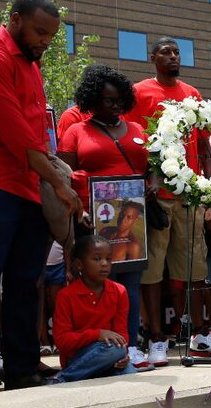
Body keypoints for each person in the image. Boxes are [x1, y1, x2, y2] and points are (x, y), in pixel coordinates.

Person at [0, 0, 81, 393]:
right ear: (15, 20)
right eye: (39, 31)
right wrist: (60, 184)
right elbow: (17, 139)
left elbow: (38, 140)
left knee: (27, 281)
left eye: (51, 36)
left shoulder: (31, 64)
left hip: (26, 184)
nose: (45, 41)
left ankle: (23, 367)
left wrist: (54, 176)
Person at [124, 37, 211, 366]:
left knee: (194, 262)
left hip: (189, 188)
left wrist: (208, 189)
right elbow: (133, 140)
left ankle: (199, 334)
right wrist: (145, 180)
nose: (173, 56)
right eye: (166, 52)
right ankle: (156, 338)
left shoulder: (192, 93)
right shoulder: (140, 92)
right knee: (152, 267)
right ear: (153, 58)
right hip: (157, 187)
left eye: (176, 52)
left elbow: (203, 146)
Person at [57, 63, 152, 370]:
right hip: (91, 220)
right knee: (98, 284)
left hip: (132, 220)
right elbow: (62, 175)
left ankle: (130, 346)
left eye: (119, 101)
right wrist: (79, 209)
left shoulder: (137, 130)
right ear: (92, 101)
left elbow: (153, 170)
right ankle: (96, 348)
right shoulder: (75, 131)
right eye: (109, 101)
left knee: (130, 286)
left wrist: (151, 187)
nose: (116, 106)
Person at [50, 235, 136, 383]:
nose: (104, 264)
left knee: (128, 370)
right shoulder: (66, 295)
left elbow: (121, 334)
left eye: (108, 259)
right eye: (96, 259)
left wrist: (124, 355)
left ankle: (69, 378)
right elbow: (62, 341)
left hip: (109, 356)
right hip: (78, 358)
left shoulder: (119, 291)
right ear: (79, 264)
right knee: (114, 350)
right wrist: (97, 334)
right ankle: (64, 378)